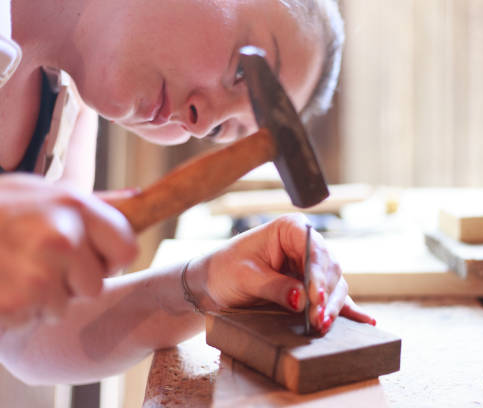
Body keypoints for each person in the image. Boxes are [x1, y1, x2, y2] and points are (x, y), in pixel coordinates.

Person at [0, 0, 375, 385]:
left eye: (220, 132)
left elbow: (31, 336)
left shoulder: (64, 115)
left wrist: (206, 284)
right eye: (242, 69)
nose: (202, 123)